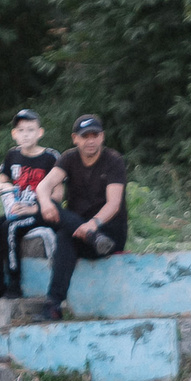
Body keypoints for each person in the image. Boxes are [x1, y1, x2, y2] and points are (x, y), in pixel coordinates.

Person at [31, 115, 126, 321]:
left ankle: (53, 304)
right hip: (82, 234)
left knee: (65, 236)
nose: (90, 140)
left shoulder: (113, 160)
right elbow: (43, 187)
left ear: (102, 137)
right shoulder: (68, 158)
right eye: (85, 136)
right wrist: (46, 203)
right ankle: (54, 306)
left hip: (108, 235)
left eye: (95, 135)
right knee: (45, 207)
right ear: (75, 138)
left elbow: (114, 204)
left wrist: (93, 225)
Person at [0, 110, 59, 296]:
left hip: (42, 211)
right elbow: (0, 183)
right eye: (21, 130)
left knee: (11, 227)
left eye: (30, 130)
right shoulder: (13, 155)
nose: (26, 134)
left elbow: (58, 196)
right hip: (17, 208)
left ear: (40, 133)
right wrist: (4, 188)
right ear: (14, 134)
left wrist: (34, 208)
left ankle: (15, 283)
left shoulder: (51, 157)